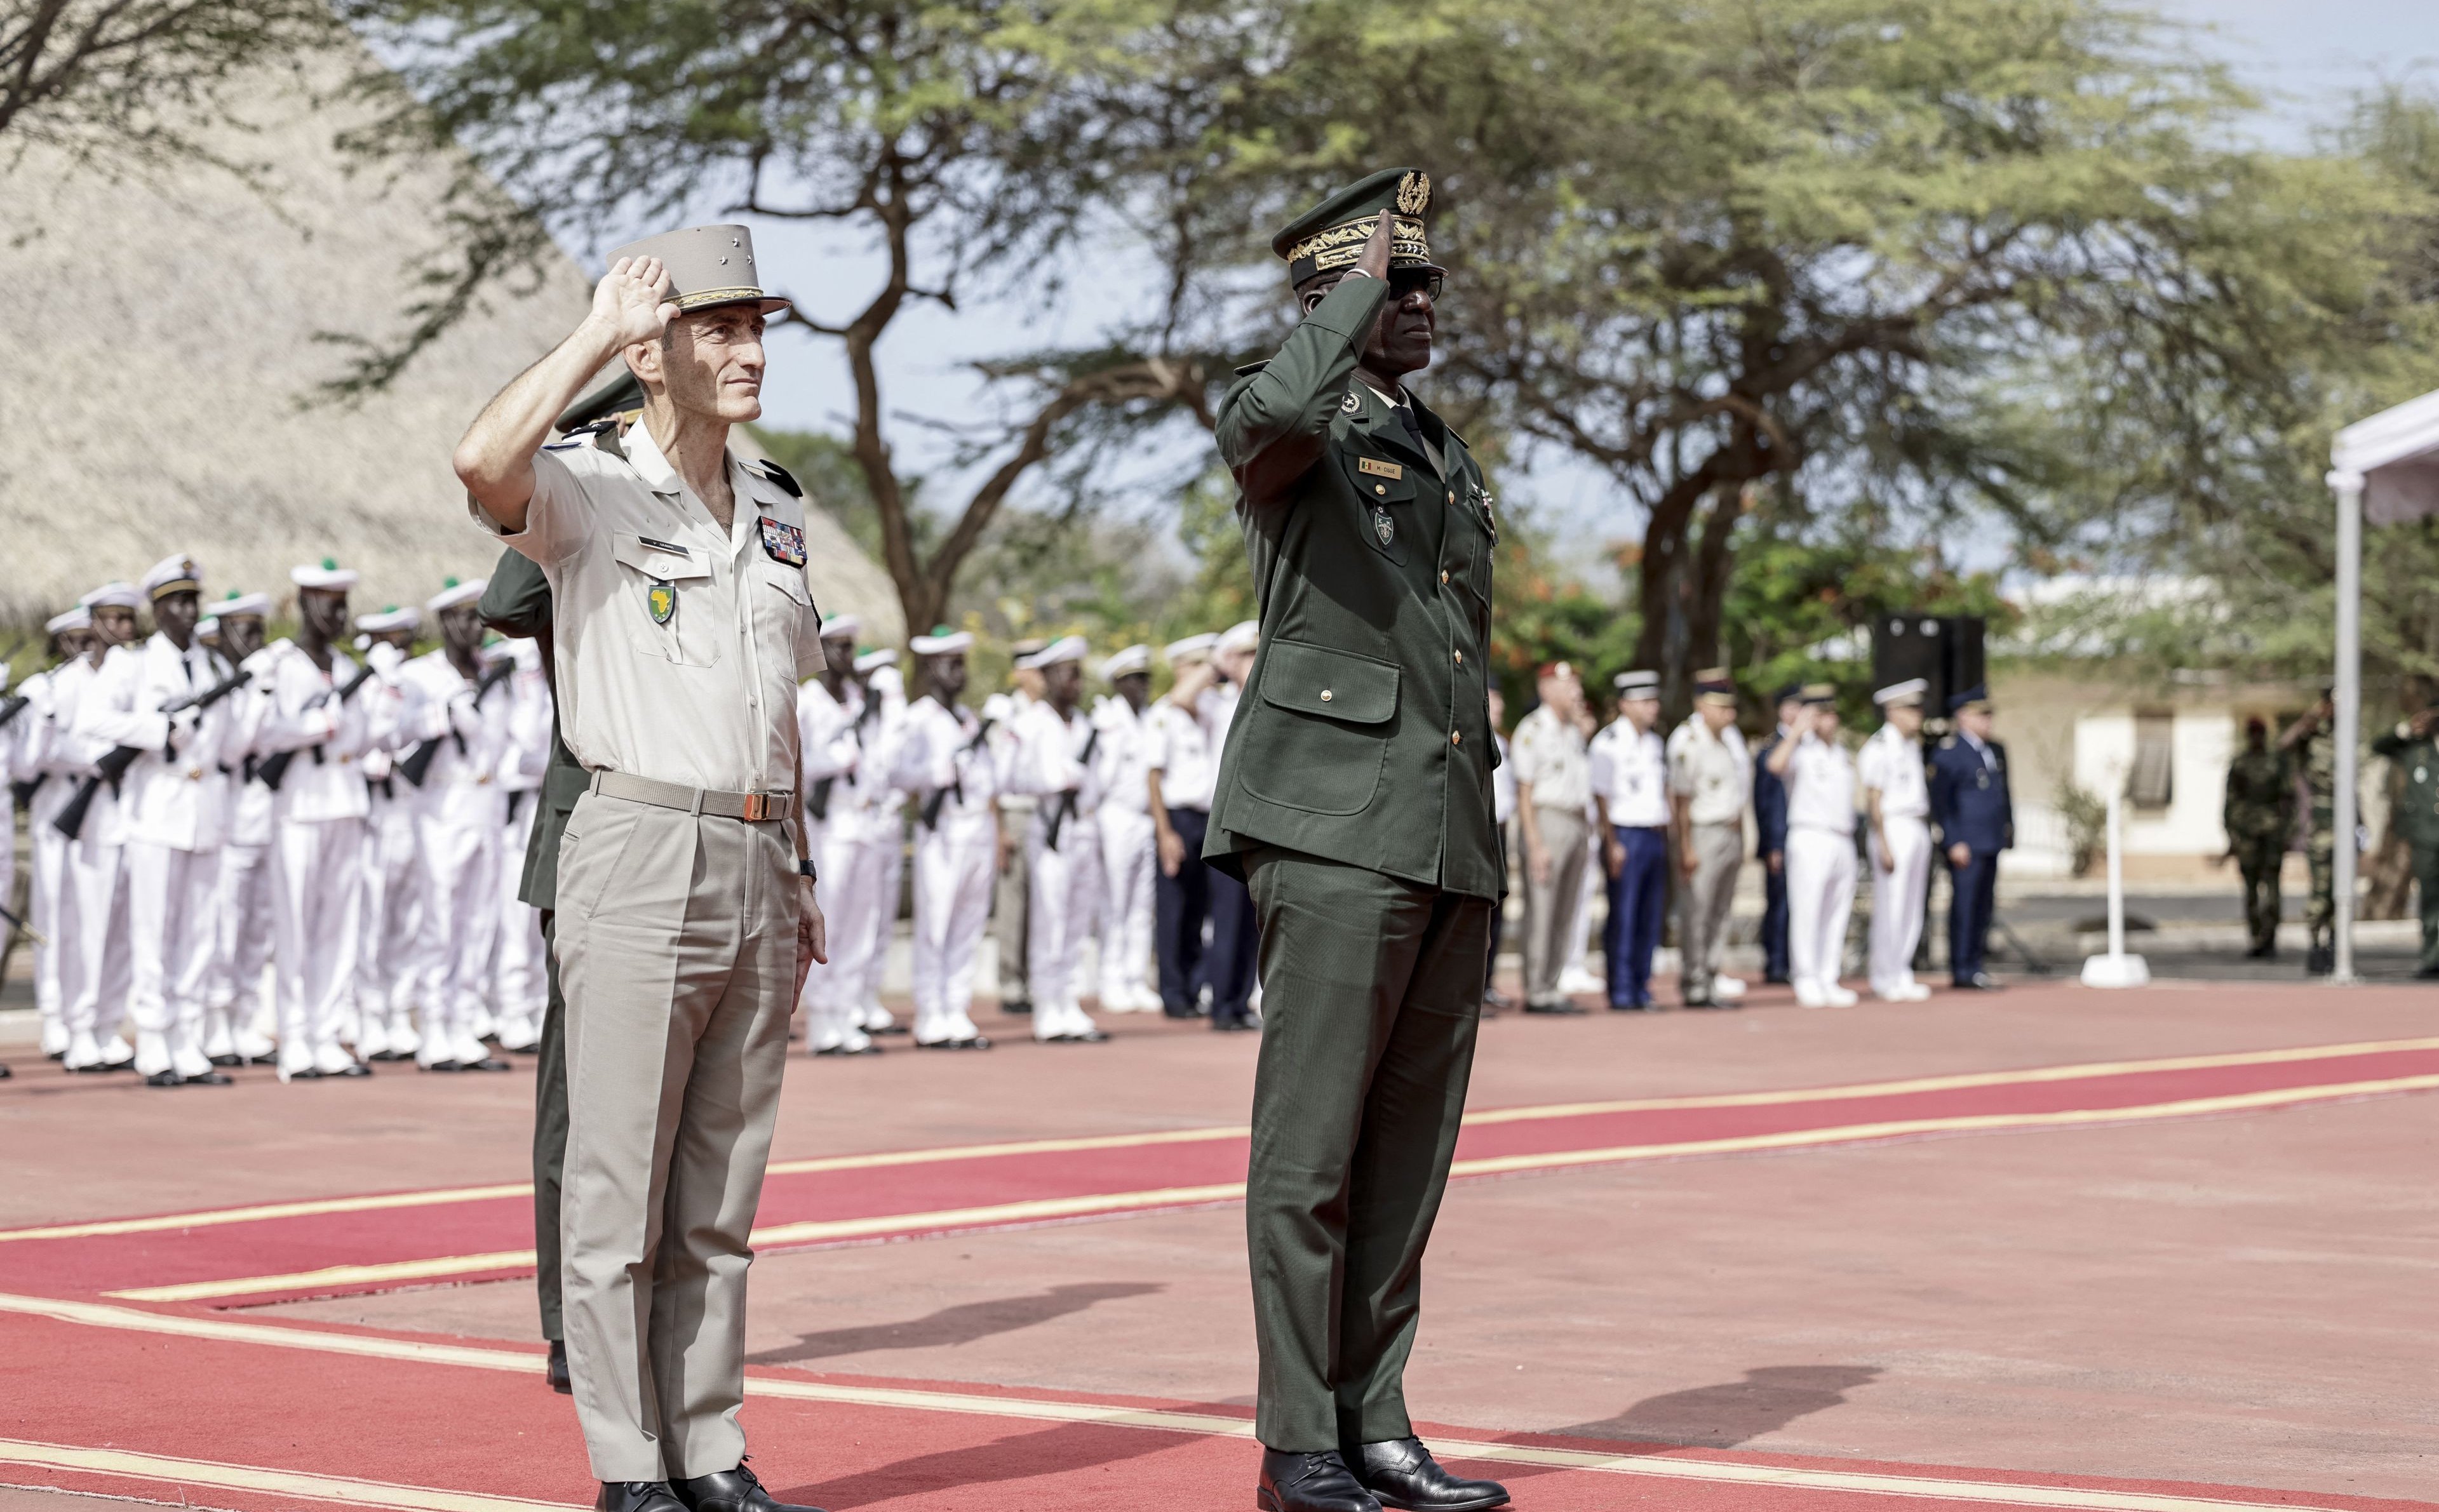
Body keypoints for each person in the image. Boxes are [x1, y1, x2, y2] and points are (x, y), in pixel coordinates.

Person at [452, 224, 829, 1512]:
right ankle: (630, 1461)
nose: (748, 349)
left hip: (757, 851)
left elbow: (776, 698)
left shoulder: (777, 501)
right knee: (618, 1185)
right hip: (635, 842)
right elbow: (480, 460)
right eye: (717, 328)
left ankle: (710, 1444)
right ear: (653, 352)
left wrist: (802, 858)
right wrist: (588, 338)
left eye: (753, 325)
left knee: (720, 1190)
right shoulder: (589, 487)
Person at [1206, 168, 1509, 1512]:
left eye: (1432, 280)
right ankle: (1299, 1437)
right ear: (1334, 299)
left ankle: (1376, 1412)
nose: (1427, 300)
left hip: (1442, 832)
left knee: (1408, 1149)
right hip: (1328, 825)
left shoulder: (1439, 444)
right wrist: (1346, 296)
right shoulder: (1290, 426)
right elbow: (1272, 408)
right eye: (1401, 280)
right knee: (1312, 1147)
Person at [480, 532, 598, 1396]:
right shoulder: (579, 506)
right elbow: (508, 604)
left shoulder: (727, 508)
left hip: (703, 841)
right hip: (589, 830)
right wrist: (571, 442)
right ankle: (571, 1321)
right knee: (577, 1103)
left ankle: (658, 1311)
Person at [75, 554, 246, 1086]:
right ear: (156, 608)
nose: (189, 611)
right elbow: (92, 720)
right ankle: (153, 1037)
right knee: (153, 930)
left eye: (194, 600)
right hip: (155, 813)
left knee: (198, 930)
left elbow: (232, 745)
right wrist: (158, 728)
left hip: (205, 811)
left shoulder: (217, 667)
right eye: (177, 601)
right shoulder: (133, 663)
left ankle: (188, 1036)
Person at [256, 560, 386, 1080]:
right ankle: (295, 1036)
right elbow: (262, 731)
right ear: (305, 603)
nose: (339, 613)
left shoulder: (350, 668)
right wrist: (314, 725)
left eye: (343, 604)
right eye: (330, 603)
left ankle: (328, 1032)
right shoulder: (279, 664)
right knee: (296, 924)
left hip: (345, 801)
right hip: (299, 808)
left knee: (340, 923)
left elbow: (369, 737)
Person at [400, 579, 514, 1073]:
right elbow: (397, 731)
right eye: (464, 618)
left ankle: (464, 1023)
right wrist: (441, 717)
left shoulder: (496, 672)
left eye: (478, 617)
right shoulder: (421, 676)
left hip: (485, 806)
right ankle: (435, 1024)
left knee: (479, 921)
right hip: (442, 811)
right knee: (440, 921)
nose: (474, 627)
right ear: (445, 623)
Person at [894, 626, 1000, 1048]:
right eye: (952, 664)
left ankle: (956, 1009)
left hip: (978, 828)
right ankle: (930, 1012)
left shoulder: (970, 719)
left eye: (962, 663)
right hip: (943, 830)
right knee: (936, 922)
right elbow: (896, 773)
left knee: (969, 924)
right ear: (933, 668)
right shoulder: (918, 717)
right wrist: (932, 775)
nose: (961, 672)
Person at [57, 582, 146, 1071]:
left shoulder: (136, 670)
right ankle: (79, 1025)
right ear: (93, 622)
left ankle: (109, 1023)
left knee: (121, 930)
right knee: (87, 927)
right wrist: (98, 762)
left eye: (129, 619)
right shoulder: (71, 681)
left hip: (131, 811)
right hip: (90, 810)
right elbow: (56, 746)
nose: (125, 629)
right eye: (114, 619)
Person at [1009, 636, 1110, 1044]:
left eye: (1078, 674)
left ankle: (1069, 1002)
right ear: (1048, 677)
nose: (1077, 683)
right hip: (1051, 828)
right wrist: (1055, 782)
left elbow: (1100, 781)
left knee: (1076, 922)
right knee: (1050, 920)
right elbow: (1013, 779)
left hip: (1084, 829)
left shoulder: (1086, 725)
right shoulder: (1030, 723)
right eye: (1068, 674)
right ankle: (1047, 1005)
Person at [17, 608, 102, 1064]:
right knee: (50, 916)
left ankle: (86, 1015)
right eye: (73, 641)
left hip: (97, 807)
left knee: (90, 918)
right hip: (57, 806)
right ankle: (54, 1014)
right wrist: (46, 719)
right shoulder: (46, 688)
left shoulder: (104, 683)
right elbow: (29, 763)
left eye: (90, 639)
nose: (84, 649)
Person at [203, 593, 281, 1067]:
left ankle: (247, 1019)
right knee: (223, 928)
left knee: (258, 929)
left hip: (264, 818)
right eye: (244, 631)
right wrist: (259, 698)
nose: (254, 641)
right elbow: (232, 748)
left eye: (258, 630)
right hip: (226, 820)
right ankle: (216, 1022)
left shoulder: (262, 683)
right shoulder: (220, 684)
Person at [796, 614, 875, 1054]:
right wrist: (836, 761)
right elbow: (796, 766)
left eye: (851, 647)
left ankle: (847, 1012)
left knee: (861, 924)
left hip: (862, 820)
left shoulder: (858, 702)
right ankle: (824, 1019)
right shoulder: (809, 701)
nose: (848, 656)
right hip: (827, 823)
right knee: (832, 922)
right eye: (839, 647)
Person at [351, 606, 426, 1061]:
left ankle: (399, 1008)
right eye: (391, 640)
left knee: (408, 918)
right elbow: (354, 745)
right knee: (371, 918)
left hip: (408, 811)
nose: (400, 649)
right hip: (372, 815)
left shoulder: (411, 687)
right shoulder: (361, 689)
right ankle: (368, 1012)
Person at [1768, 684, 1859, 1008]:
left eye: (1831, 713)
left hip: (1841, 837)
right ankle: (1805, 976)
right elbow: (1774, 766)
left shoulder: (1839, 752)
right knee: (1808, 910)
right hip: (1810, 836)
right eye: (1821, 714)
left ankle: (1827, 975)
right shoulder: (1800, 749)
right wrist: (1797, 731)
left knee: (1836, 911)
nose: (1828, 720)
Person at [1145, 634, 1221, 1020]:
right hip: (1177, 817)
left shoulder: (1210, 708)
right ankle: (1173, 992)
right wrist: (1164, 833)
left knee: (1199, 909)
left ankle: (1194, 987)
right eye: (1200, 667)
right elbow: (1153, 777)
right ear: (1182, 670)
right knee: (1173, 909)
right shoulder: (1164, 713)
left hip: (1209, 818)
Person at [1510, 662, 1592, 1014]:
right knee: (1541, 910)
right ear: (1546, 689)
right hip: (1547, 820)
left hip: (1575, 821)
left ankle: (1553, 984)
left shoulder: (1573, 730)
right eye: (1567, 685)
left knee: (1565, 909)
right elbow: (1524, 792)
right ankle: (1537, 989)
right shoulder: (1533, 729)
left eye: (1576, 684)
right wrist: (1535, 843)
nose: (1575, 691)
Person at [1667, 667, 1750, 1008]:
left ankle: (1712, 975)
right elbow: (1681, 801)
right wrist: (1685, 847)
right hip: (1701, 833)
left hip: (1729, 831)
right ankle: (1695, 981)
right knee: (1697, 911)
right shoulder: (1687, 740)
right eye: (1722, 707)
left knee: (1720, 911)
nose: (1729, 714)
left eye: (1731, 707)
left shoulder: (1731, 738)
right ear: (1702, 705)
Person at [1590, 671, 1668, 1012]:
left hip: (1653, 834)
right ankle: (1621, 989)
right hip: (1624, 834)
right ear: (1625, 704)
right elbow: (1601, 798)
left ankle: (1641, 985)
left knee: (1650, 916)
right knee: (1624, 914)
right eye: (1646, 701)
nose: (1654, 708)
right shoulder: (1607, 742)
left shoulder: (1655, 742)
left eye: (1654, 701)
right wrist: (1611, 843)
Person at [493, 635, 556, 1051]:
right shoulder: (507, 684)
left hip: (546, 809)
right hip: (518, 816)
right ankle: (513, 1008)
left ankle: (534, 1004)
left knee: (541, 923)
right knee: (517, 922)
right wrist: (530, 682)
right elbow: (525, 749)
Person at [1200, 620, 1264, 1029]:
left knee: (1252, 921)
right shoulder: (1215, 703)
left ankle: (1240, 1001)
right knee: (1226, 918)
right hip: (1225, 820)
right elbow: (1178, 698)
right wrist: (1220, 664)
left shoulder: (1267, 700)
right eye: (1248, 655)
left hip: (1260, 822)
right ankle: (1221, 1003)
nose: (1256, 662)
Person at [1929, 685, 2013, 991]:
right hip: (1966, 842)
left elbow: (2002, 796)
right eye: (1982, 715)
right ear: (1963, 717)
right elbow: (1943, 804)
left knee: (1983, 906)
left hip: (1989, 839)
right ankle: (1962, 967)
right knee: (1964, 905)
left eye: (1989, 715)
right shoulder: (1951, 753)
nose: (1988, 721)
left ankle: (1976, 964)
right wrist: (1954, 840)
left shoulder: (1993, 750)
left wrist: (2007, 830)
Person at [1858, 679, 1933, 1001]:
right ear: (1893, 711)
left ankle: (1902, 969)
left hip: (1916, 824)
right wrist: (1883, 842)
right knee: (1893, 904)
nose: (1917, 715)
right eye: (1910, 709)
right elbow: (1873, 799)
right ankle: (1884, 973)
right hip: (1894, 826)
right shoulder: (1879, 746)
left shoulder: (1912, 745)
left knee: (1912, 905)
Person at [1093, 645, 1159, 1012]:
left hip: (1143, 818)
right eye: (1135, 679)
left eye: (1145, 678)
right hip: (1116, 815)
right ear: (1119, 683)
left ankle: (1135, 978)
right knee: (1114, 902)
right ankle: (1111, 977)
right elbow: (1101, 779)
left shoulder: (1150, 717)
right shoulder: (1108, 721)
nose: (1143, 686)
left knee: (1140, 904)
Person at [849, 646, 908, 1040]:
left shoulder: (896, 725)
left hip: (889, 822)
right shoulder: (858, 721)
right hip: (856, 822)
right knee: (855, 916)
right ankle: (847, 1000)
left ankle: (869, 996)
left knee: (882, 916)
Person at [991, 636, 1048, 1017]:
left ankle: (1039, 981)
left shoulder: (1049, 713)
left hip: (1045, 811)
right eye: (1037, 669)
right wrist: (999, 829)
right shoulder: (1003, 713)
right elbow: (990, 776)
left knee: (1046, 902)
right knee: (1014, 903)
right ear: (1020, 673)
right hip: (1013, 812)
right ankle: (1011, 983)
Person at [2370, 704, 2439, 977]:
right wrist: (2408, 728)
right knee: (2431, 900)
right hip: (2426, 837)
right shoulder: (2414, 747)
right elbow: (2380, 747)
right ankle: (2433, 958)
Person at [2221, 714, 2295, 961]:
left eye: (2259, 733)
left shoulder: (2277, 762)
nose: (2256, 738)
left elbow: (2289, 798)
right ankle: (2256, 938)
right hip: (2248, 833)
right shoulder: (2240, 763)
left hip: (2272, 832)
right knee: (2251, 890)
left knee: (2272, 887)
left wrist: (2287, 831)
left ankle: (2271, 937)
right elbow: (2230, 801)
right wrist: (2232, 835)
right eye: (2252, 733)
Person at [2279, 692, 2338, 975]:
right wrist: (2312, 718)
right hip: (2321, 823)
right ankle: (2315, 945)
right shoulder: (2312, 737)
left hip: (2346, 822)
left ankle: (2337, 947)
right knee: (2321, 890)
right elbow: (2284, 744)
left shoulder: (2351, 734)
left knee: (2343, 891)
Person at [1750, 683, 1803, 986]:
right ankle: (1776, 962)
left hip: (1806, 837)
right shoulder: (1772, 748)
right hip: (1781, 839)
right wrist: (1772, 844)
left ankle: (1794, 960)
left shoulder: (1809, 746)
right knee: (1780, 904)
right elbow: (1766, 804)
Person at [1485, 686, 1515, 1012]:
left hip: (1502, 832)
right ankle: (1475, 988)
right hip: (1481, 831)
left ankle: (1489, 983)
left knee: (1498, 913)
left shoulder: (1503, 743)